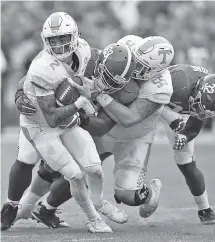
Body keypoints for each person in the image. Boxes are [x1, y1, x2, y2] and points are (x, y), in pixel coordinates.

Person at [13, 35, 176, 228]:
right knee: (67, 165)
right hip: (104, 121)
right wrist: (20, 92)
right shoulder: (119, 54)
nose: (136, 70)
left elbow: (128, 118)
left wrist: (93, 100)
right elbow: (43, 72)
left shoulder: (161, 86)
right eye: (136, 62)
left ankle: (150, 193)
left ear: (157, 71)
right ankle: (37, 208)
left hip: (134, 136)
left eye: (143, 68)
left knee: (126, 195)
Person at [1, 12, 135, 232]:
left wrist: (83, 110)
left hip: (69, 116)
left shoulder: (86, 53)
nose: (60, 45)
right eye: (54, 39)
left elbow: (102, 123)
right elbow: (30, 83)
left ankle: (52, 208)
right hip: (41, 119)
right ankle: (12, 206)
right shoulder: (47, 65)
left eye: (64, 38)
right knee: (28, 158)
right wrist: (19, 94)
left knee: (90, 167)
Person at [160, 65, 215, 224]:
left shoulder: (206, 95)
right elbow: (147, 96)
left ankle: (205, 210)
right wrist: (168, 115)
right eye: (198, 106)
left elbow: (195, 123)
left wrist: (184, 136)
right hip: (157, 100)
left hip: (180, 110)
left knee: (185, 159)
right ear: (196, 90)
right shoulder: (176, 83)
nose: (199, 112)